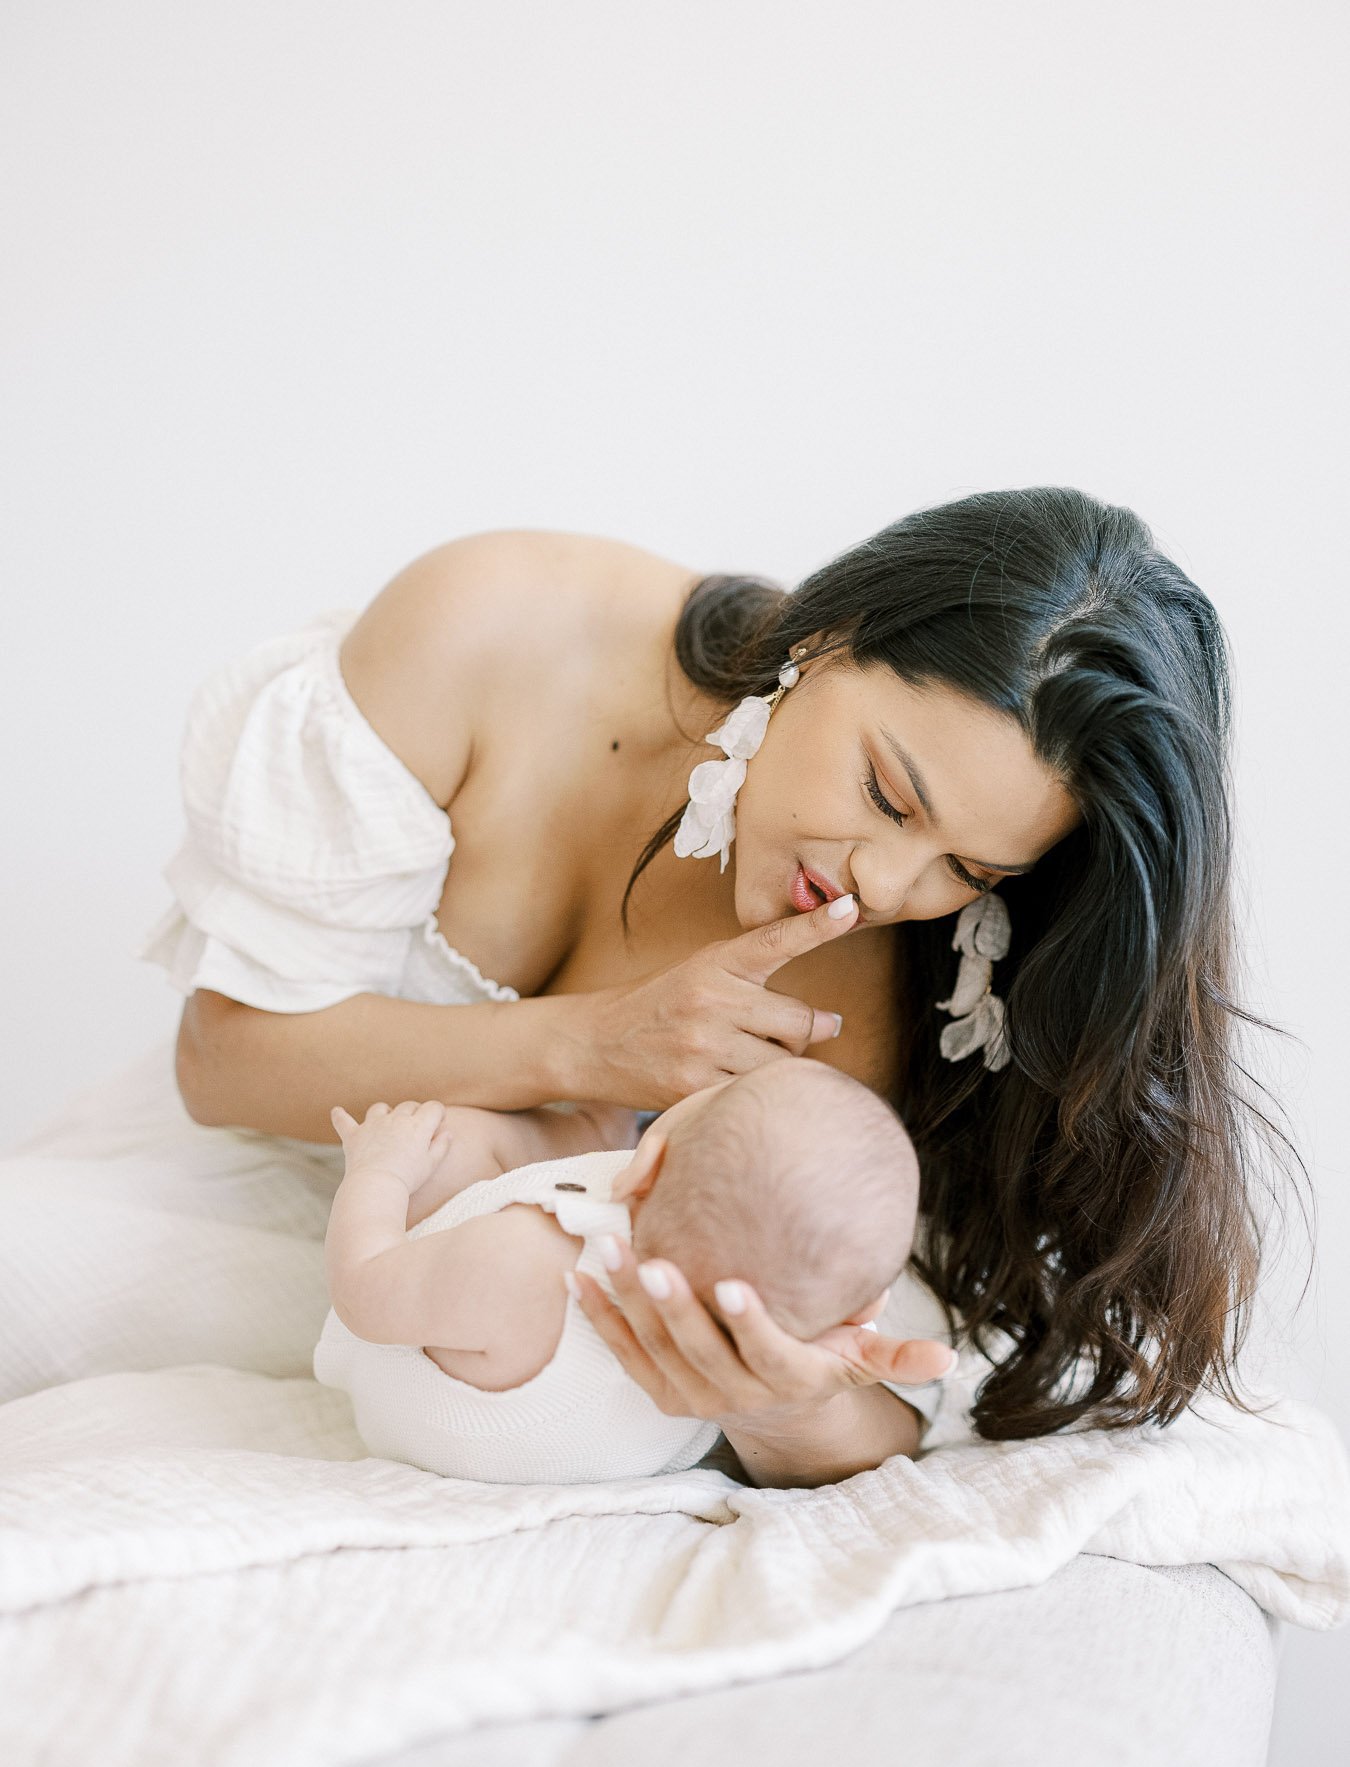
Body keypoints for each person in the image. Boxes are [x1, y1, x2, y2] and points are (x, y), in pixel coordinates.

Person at [148, 486, 1281, 1483]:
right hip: (261, 1181)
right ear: (829, 633)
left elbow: (875, 1394)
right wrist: (592, 1045)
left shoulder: (936, 976)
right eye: (888, 794)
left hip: (496, 1358)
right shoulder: (497, 629)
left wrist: (783, 1401)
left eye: (968, 869)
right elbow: (223, 1060)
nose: (880, 885)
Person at [313, 1060, 927, 1485]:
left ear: (646, 1164)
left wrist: (379, 1171)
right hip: (589, 1448)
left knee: (448, 1140)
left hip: (411, 1400)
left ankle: (578, 1135)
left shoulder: (515, 1257)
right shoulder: (755, 1352)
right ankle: (588, 1135)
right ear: (859, 1312)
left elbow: (362, 1294)